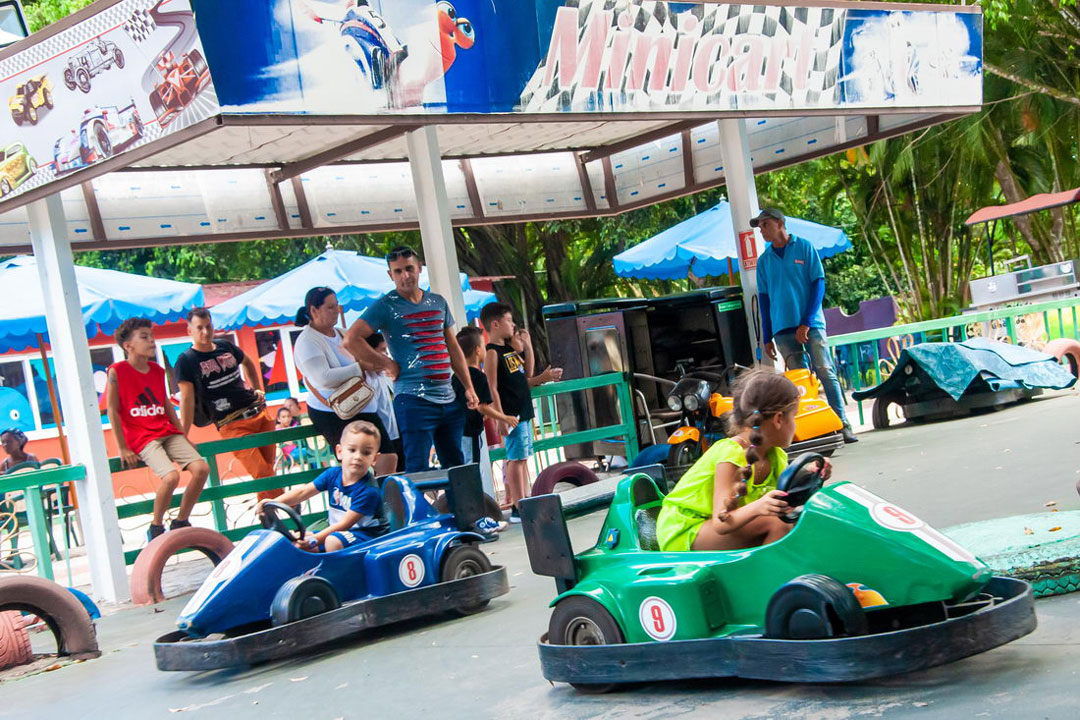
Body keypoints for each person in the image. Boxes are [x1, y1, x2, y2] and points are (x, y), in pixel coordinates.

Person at [656, 370, 830, 552]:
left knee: (792, 518)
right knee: (777, 523)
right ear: (778, 419)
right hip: (685, 529)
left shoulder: (776, 456)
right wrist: (758, 506)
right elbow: (721, 522)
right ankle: (768, 579)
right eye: (794, 416)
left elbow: (785, 501)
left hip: (717, 528)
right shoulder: (731, 454)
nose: (795, 423)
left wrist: (810, 473)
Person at [343, 246, 478, 472]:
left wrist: (469, 387)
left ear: (419, 268)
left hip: (448, 396)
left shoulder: (438, 302)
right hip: (413, 399)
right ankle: (418, 508)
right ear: (390, 275)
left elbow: (452, 346)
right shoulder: (386, 305)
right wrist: (386, 363)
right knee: (417, 466)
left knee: (457, 466)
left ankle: (459, 508)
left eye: (409, 268)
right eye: (398, 271)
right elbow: (351, 339)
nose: (405, 275)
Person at [751, 207, 858, 444]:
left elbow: (818, 285)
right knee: (797, 383)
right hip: (782, 329)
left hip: (811, 325)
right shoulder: (764, 261)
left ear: (779, 223)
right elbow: (765, 301)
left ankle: (843, 424)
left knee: (825, 371)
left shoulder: (804, 247)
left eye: (765, 224)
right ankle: (811, 431)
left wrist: (807, 322)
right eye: (759, 227)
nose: (762, 230)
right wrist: (767, 337)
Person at [106, 318, 210, 542]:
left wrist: (182, 434)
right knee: (170, 477)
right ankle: (156, 525)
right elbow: (112, 411)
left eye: (151, 336)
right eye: (144, 337)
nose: (151, 341)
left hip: (167, 430)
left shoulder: (157, 370)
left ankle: (181, 519)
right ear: (128, 345)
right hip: (142, 436)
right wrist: (123, 447)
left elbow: (165, 404)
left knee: (201, 469)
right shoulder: (117, 371)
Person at [174, 308, 280, 501]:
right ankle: (289, 508)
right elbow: (187, 400)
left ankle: (268, 516)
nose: (205, 332)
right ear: (189, 331)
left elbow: (248, 362)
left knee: (266, 471)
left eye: (208, 326)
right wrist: (183, 434)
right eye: (199, 328)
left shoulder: (225, 346)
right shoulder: (186, 360)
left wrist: (257, 388)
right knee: (263, 472)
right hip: (232, 423)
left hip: (259, 413)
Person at [292, 287, 397, 476]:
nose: (336, 311)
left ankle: (381, 499)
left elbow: (366, 354)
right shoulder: (307, 341)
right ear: (314, 311)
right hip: (333, 410)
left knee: (388, 456)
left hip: (362, 404)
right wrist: (361, 367)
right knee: (356, 462)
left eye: (337, 306)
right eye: (331, 307)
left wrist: (382, 363)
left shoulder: (342, 333)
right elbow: (323, 378)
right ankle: (362, 499)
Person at [480, 303, 562, 523]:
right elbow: (492, 387)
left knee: (523, 457)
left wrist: (528, 346)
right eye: (508, 320)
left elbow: (528, 375)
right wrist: (500, 417)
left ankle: (525, 498)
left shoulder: (509, 351)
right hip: (511, 414)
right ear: (496, 324)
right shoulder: (492, 353)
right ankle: (518, 504)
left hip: (522, 411)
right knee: (515, 459)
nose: (512, 324)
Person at [258, 420, 388, 552]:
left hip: (368, 536)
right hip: (340, 532)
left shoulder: (368, 490)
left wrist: (313, 540)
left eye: (366, 453)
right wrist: (274, 502)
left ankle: (336, 573)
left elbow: (344, 524)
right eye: (352, 450)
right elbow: (304, 492)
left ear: (374, 459)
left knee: (330, 541)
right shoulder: (332, 475)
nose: (358, 457)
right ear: (339, 451)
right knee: (295, 539)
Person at [454, 326, 518, 530]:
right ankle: (476, 519)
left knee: (462, 474)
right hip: (469, 431)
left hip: (456, 431)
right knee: (471, 474)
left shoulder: (456, 376)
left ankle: (468, 517)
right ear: (478, 350)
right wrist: (505, 417)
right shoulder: (478, 377)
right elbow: (483, 406)